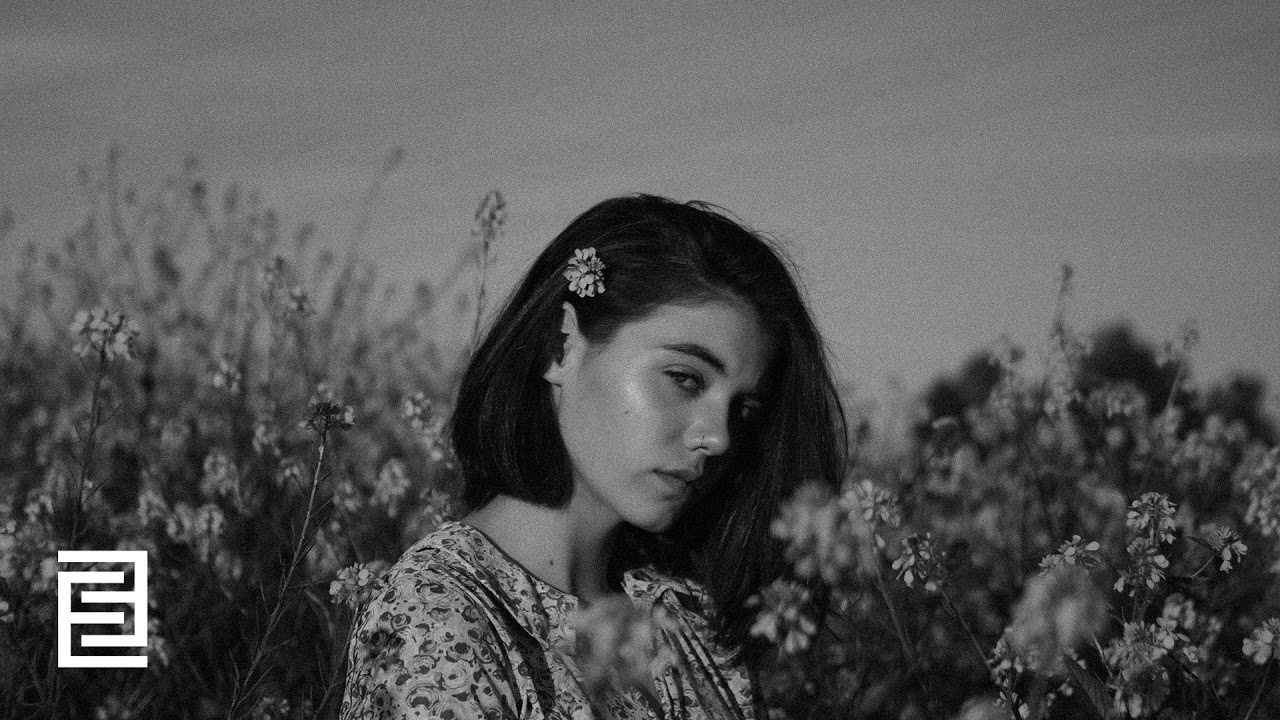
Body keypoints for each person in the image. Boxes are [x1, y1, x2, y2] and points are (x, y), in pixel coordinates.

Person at [339, 194, 847, 719]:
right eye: (684, 379)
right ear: (560, 347)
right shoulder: (437, 614)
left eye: (744, 409)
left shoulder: (690, 620)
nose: (719, 438)